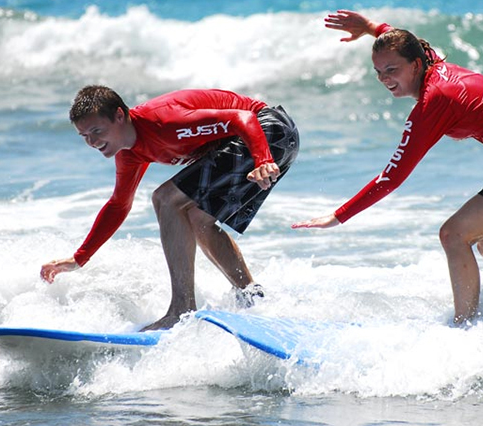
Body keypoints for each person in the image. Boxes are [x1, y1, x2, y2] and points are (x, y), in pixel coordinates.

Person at [292, 10, 483, 325]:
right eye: (378, 71)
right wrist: (371, 28)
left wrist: (338, 216)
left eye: (392, 69)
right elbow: (408, 43)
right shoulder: (430, 63)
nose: (385, 79)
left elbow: (391, 178)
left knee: (453, 234)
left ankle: (463, 328)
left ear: (415, 65)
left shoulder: (435, 100)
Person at [41, 85, 299, 331]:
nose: (91, 141)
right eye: (84, 136)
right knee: (198, 219)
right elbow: (119, 205)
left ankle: (181, 310)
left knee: (166, 198)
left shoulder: (164, 122)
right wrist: (80, 258)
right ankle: (251, 297)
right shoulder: (130, 153)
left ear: (119, 115)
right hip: (260, 140)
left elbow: (242, 118)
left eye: (97, 131)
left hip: (269, 130)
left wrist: (262, 159)